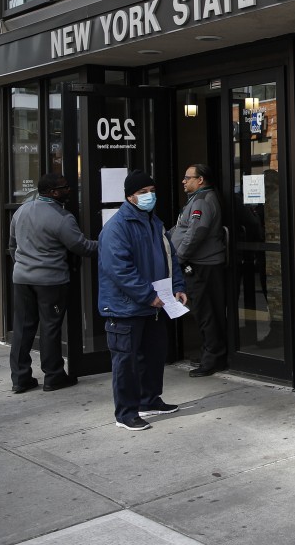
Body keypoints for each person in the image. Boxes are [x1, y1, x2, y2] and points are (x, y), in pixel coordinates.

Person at [98, 170, 186, 431]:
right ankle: (125, 413)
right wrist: (149, 296)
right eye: (142, 192)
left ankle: (149, 399)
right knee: (126, 362)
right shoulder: (117, 227)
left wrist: (177, 287)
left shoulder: (154, 223)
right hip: (126, 308)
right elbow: (120, 270)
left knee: (153, 355)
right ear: (129, 196)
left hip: (154, 306)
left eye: (151, 190)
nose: (149, 196)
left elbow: (171, 258)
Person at [7, 173, 97, 393]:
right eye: (65, 187)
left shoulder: (21, 211)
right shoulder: (62, 217)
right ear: (53, 192)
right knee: (50, 328)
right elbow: (81, 247)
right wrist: (110, 242)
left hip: (21, 279)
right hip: (51, 282)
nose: (70, 190)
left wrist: (23, 265)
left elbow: (12, 245)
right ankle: (54, 376)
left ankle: (20, 379)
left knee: (22, 329)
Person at [170, 164, 229, 377]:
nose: (184, 181)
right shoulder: (198, 199)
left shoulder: (203, 201)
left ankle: (212, 359)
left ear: (200, 180)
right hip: (201, 264)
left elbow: (196, 233)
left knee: (206, 313)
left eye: (188, 178)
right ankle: (210, 354)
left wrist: (178, 257)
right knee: (205, 311)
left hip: (202, 266)